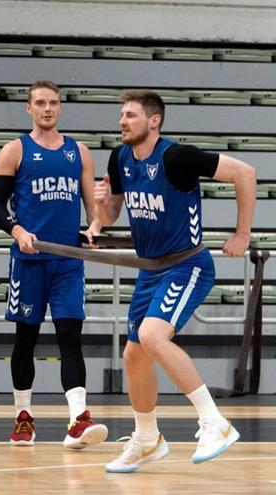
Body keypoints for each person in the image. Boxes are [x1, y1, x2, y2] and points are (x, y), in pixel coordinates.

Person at [94, 90, 256, 472]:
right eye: (121, 114)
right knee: (134, 354)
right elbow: (115, 213)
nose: (122, 121)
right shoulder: (119, 157)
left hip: (187, 265)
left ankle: (214, 422)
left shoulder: (177, 156)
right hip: (150, 269)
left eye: (130, 115)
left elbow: (244, 173)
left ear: (154, 121)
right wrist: (102, 205)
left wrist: (242, 235)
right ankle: (147, 439)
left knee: (152, 337)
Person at [0, 80, 108, 449]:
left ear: (60, 107)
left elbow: (94, 205)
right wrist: (17, 229)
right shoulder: (14, 151)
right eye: (40, 103)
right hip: (29, 260)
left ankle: (78, 419)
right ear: (29, 108)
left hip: (68, 261)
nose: (47, 109)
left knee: (70, 337)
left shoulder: (79, 152)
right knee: (25, 340)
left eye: (53, 103)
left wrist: (95, 225)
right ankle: (23, 417)